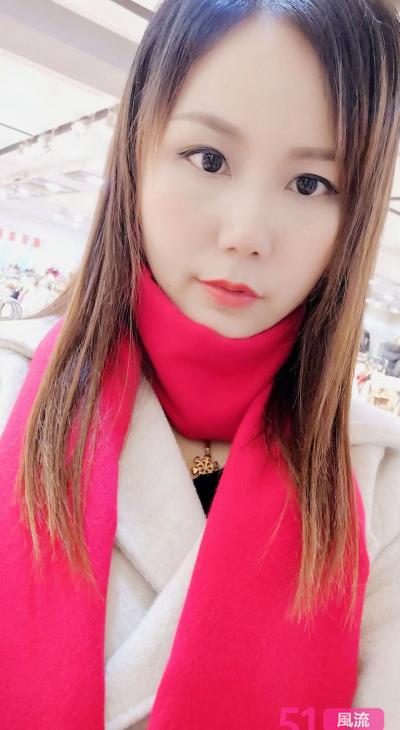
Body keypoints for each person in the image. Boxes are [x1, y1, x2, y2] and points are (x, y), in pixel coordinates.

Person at [0, 1, 400, 729]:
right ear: (136, 152)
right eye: (209, 159)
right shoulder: (9, 391)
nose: (247, 233)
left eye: (311, 184)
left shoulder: (380, 482)